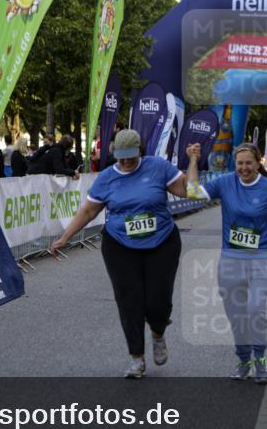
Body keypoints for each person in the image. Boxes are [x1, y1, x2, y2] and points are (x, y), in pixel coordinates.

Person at [50, 129, 188, 379]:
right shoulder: (106, 178)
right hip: (119, 246)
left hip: (162, 243)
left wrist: (195, 162)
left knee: (158, 300)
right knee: (129, 301)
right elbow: (89, 212)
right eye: (120, 158)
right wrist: (64, 237)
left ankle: (158, 332)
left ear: (140, 152)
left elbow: (188, 191)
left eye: (130, 158)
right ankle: (137, 358)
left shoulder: (158, 167)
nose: (125, 162)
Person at [185, 142, 267, 383]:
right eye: (240, 163)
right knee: (236, 315)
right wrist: (192, 160)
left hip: (261, 259)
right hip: (231, 261)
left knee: (255, 309)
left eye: (248, 163)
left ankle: (260, 358)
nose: (244, 168)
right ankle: (243, 359)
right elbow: (193, 193)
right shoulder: (225, 182)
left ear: (257, 163)